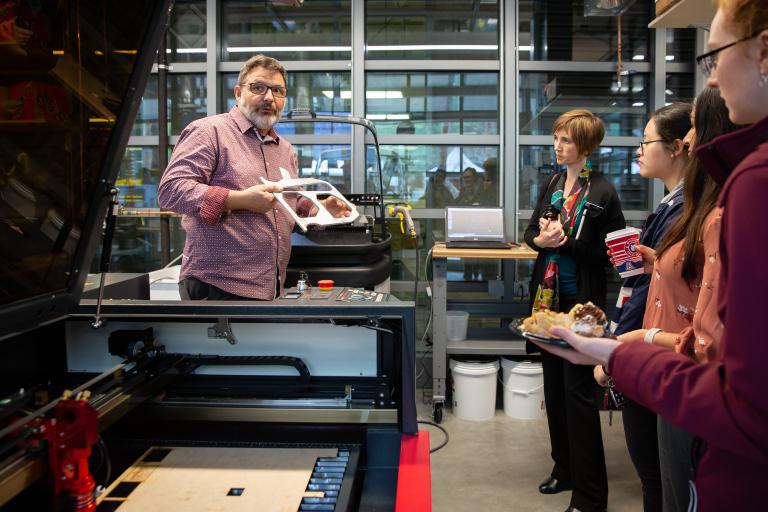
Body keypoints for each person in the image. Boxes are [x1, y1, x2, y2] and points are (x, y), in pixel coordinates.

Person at [536, 3, 768, 509]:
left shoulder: (745, 189)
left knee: (662, 481)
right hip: (609, 320)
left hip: (715, 439)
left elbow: (737, 390)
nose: (710, 78)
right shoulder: (555, 184)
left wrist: (627, 354)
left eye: (713, 57)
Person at [158, 55, 351, 301]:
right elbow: (171, 191)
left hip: (270, 286)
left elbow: (289, 201)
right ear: (238, 93)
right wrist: (241, 200)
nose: (269, 97)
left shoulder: (285, 149)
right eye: (258, 88)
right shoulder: (209, 132)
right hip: (218, 286)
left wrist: (319, 208)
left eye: (277, 90)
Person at [524, 109, 625, 512]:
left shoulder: (602, 192)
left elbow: (606, 256)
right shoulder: (552, 184)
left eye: (566, 140)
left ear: (586, 145)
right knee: (554, 390)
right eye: (556, 138)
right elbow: (531, 233)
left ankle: (590, 495)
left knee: (578, 396)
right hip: (547, 304)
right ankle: (563, 469)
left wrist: (563, 242)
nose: (558, 145)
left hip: (581, 306)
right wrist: (542, 240)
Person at [598, 102, 692, 512]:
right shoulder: (674, 204)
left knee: (660, 478)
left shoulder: (693, 211)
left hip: (666, 347)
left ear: (678, 147)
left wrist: (619, 346)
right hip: (654, 338)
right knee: (655, 475)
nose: (638, 150)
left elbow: (660, 291)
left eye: (646, 141)